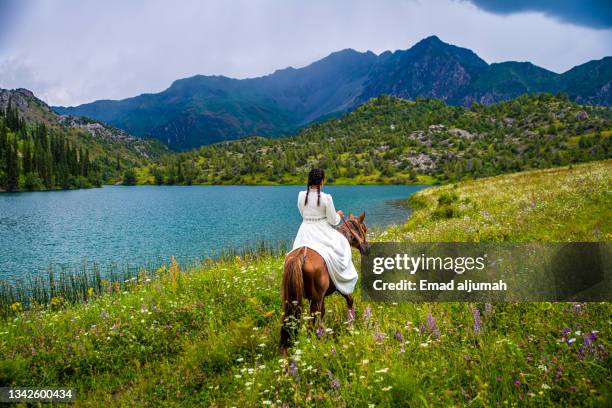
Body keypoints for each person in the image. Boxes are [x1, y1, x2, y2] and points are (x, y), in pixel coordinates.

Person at [291, 168, 358, 294]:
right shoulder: (326, 198)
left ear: (309, 180)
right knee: (342, 244)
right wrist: (338, 214)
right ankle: (340, 279)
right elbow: (333, 221)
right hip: (322, 230)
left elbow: (302, 213)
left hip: (304, 230)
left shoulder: (301, 195)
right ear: (321, 181)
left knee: (296, 251)